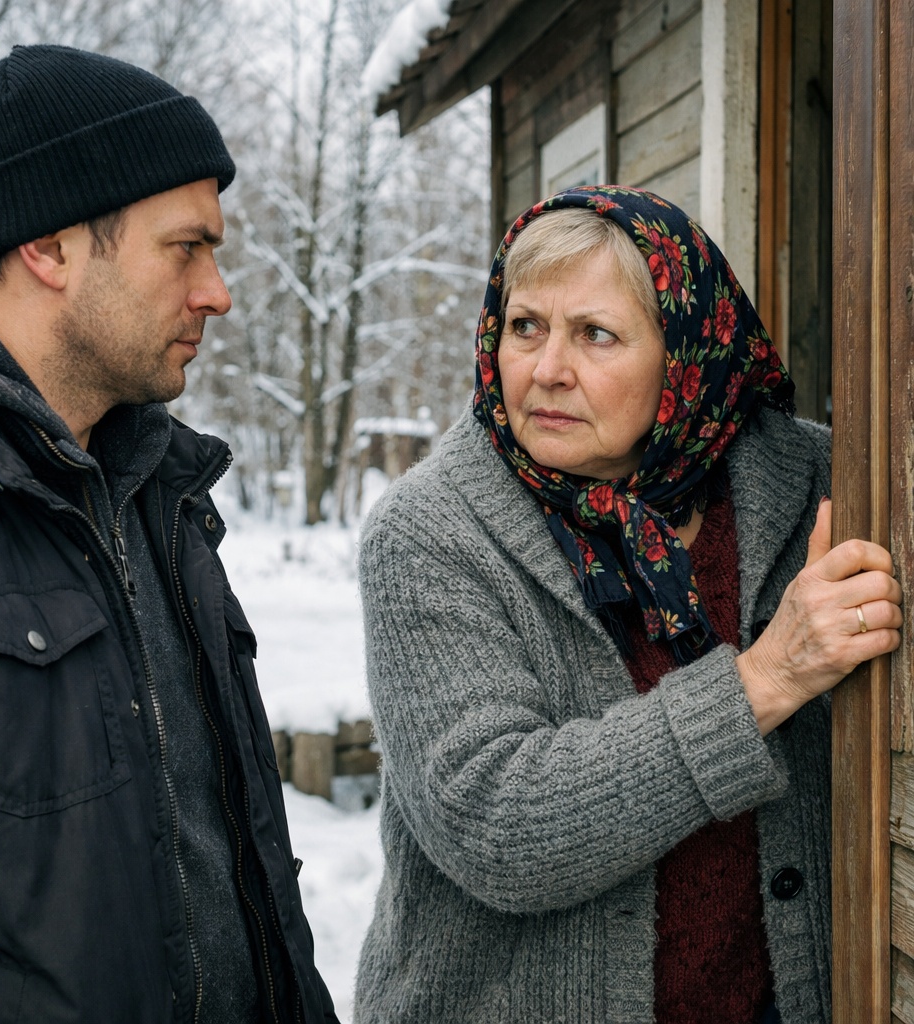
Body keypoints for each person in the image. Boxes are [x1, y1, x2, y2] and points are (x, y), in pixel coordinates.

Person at [354, 187, 903, 1024]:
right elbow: (496, 824)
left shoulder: (822, 484)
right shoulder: (431, 530)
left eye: (595, 334)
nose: (546, 369)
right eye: (525, 326)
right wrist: (766, 679)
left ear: (684, 355)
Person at [0, 45, 337, 1023]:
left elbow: (239, 873)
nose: (217, 291)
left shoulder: (161, 492)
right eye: (185, 248)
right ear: (49, 248)